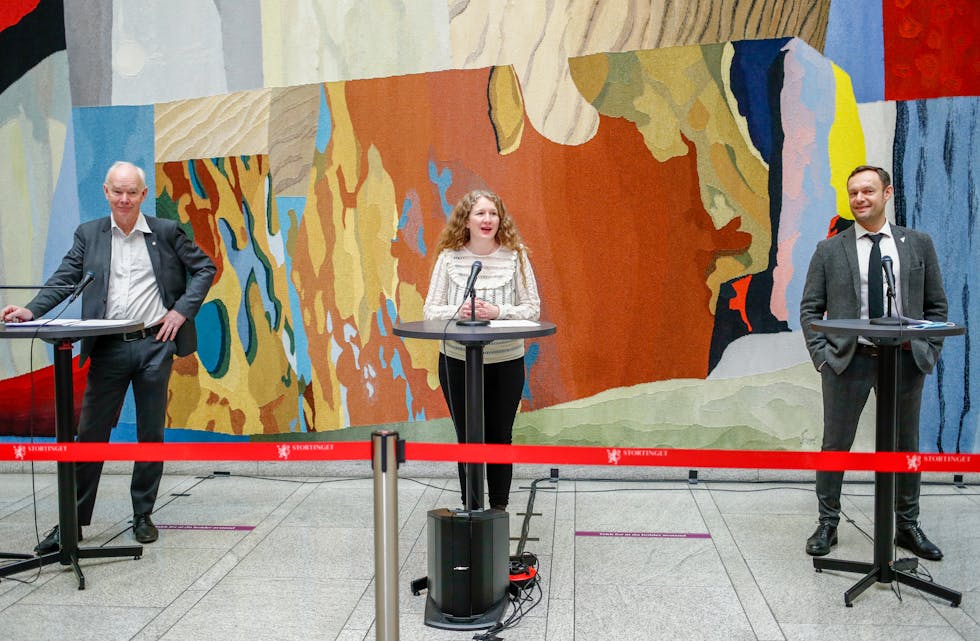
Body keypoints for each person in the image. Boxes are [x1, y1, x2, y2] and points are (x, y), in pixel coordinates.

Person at [1, 161, 216, 551]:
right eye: (117, 191)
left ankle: (143, 514)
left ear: (143, 195)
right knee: (91, 434)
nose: (124, 198)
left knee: (150, 432)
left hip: (155, 345)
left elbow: (205, 268)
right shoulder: (89, 235)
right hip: (108, 347)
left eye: (131, 192)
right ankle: (74, 522)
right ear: (105, 192)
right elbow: (65, 279)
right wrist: (31, 310)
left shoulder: (165, 232)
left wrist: (181, 310)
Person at [800, 165, 948, 560]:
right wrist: (823, 358)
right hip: (849, 361)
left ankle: (907, 526)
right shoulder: (830, 249)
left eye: (868, 191)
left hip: (903, 361)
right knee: (836, 444)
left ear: (887, 193)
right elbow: (811, 308)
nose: (860, 199)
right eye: (853, 193)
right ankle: (827, 523)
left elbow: (936, 305)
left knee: (905, 445)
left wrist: (928, 351)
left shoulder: (917, 244)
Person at [422, 189, 541, 511]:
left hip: (506, 361)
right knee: (468, 438)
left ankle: (499, 509)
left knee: (500, 437)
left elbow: (532, 308)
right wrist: (459, 311)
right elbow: (431, 310)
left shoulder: (515, 256)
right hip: (458, 361)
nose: (487, 219)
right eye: (480, 213)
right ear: (466, 220)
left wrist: (498, 313)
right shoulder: (449, 258)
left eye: (493, 213)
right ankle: (471, 508)